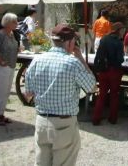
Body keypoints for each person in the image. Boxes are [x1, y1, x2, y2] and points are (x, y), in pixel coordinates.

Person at [24, 24, 96, 166]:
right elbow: (92, 87)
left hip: (41, 121)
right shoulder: (73, 63)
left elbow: (28, 94)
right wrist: (81, 58)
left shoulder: (36, 60)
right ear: (69, 43)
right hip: (64, 122)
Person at [93, 22, 126, 125]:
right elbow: (120, 59)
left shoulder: (104, 39)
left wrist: (97, 68)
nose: (123, 32)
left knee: (101, 94)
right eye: (122, 30)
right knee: (114, 95)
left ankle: (96, 118)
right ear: (119, 30)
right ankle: (112, 118)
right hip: (114, 71)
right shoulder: (119, 42)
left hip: (103, 70)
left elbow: (98, 55)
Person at [0, 13, 19, 126]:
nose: (16, 24)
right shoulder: (0, 35)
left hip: (11, 66)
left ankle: (1, 114)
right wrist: (1, 61)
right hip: (2, 67)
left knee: (6, 92)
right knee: (0, 92)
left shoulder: (12, 34)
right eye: (14, 22)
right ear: (7, 23)